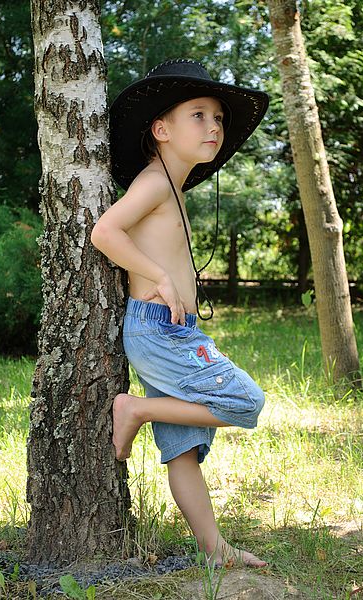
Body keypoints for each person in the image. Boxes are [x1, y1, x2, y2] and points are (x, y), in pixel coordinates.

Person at [91, 59, 270, 568]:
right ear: (161, 129)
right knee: (245, 402)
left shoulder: (173, 184)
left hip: (170, 330)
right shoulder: (154, 181)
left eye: (218, 117)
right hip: (159, 332)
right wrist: (162, 277)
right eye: (198, 115)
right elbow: (104, 232)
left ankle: (215, 551)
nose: (213, 126)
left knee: (184, 449)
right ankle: (137, 410)